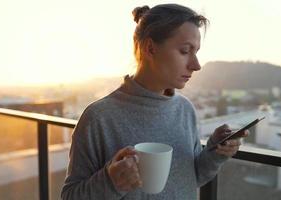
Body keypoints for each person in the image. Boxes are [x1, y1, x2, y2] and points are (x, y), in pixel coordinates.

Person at [61, 3, 247, 200]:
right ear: (150, 48)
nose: (196, 65)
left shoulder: (185, 110)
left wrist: (215, 153)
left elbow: (188, 179)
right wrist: (111, 181)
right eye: (185, 51)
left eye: (196, 52)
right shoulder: (98, 118)